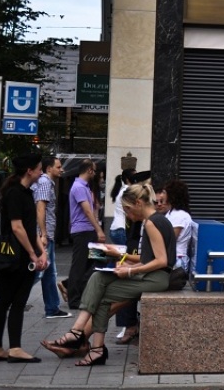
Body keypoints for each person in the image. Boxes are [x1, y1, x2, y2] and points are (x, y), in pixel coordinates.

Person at [42, 182, 174, 367]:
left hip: (156, 278)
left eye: (127, 209)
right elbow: (148, 258)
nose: (127, 215)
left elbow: (161, 261)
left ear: (138, 203)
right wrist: (120, 255)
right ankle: (90, 345)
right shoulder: (155, 220)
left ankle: (80, 336)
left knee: (101, 289)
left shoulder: (152, 223)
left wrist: (129, 270)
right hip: (153, 275)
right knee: (99, 280)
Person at [0, 153, 47, 363]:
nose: (41, 172)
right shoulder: (16, 193)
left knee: (5, 301)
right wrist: (33, 253)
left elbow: (29, 228)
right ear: (29, 170)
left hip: (17, 255)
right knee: (14, 302)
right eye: (39, 168)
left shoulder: (23, 192)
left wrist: (41, 251)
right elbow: (17, 227)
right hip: (17, 256)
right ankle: (13, 348)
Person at [64, 159, 106, 310]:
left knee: (97, 261)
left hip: (88, 231)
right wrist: (99, 230)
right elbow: (87, 211)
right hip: (83, 232)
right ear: (89, 170)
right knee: (80, 266)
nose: (95, 174)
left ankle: (79, 292)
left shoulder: (85, 187)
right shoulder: (79, 187)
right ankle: (74, 299)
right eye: (94, 171)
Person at [33, 155, 69, 319]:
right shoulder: (45, 183)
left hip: (47, 233)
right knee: (38, 271)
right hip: (45, 235)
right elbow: (40, 209)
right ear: (49, 168)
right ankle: (3, 298)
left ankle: (52, 308)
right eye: (58, 166)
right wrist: (43, 234)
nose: (61, 169)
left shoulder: (46, 182)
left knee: (48, 272)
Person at [161, 179, 197, 271]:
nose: (161, 196)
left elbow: (170, 239)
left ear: (172, 195)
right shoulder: (171, 213)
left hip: (176, 260)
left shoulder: (179, 215)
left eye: (164, 193)